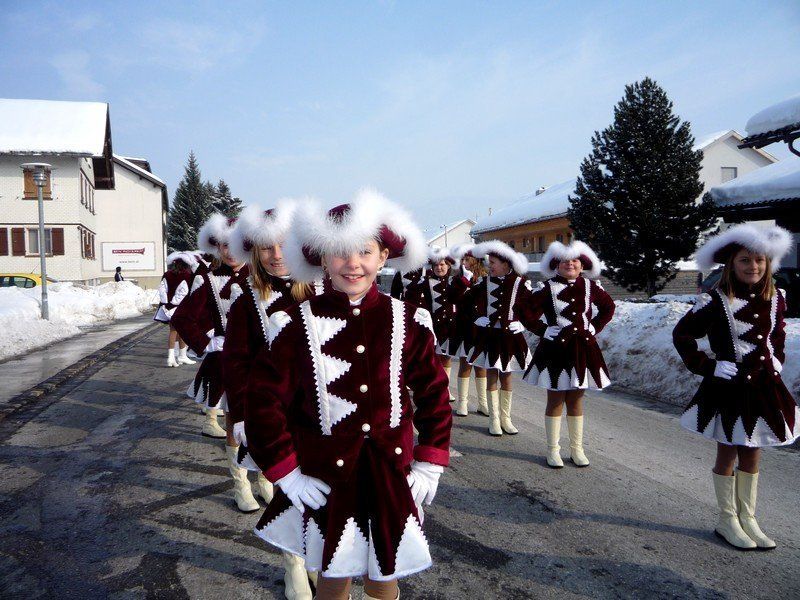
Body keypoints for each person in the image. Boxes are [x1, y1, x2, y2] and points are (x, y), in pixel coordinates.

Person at [245, 190, 452, 600]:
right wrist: (286, 471)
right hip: (324, 478)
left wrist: (430, 460)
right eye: (339, 252)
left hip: (389, 474)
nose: (352, 263)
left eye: (364, 251)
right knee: (333, 576)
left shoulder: (407, 320)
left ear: (383, 257)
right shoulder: (295, 323)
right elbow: (264, 402)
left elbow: (433, 395)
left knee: (383, 577)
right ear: (323, 260)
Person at [673, 224, 797, 550]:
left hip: (764, 387)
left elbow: (778, 335)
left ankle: (748, 517)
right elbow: (682, 335)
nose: (753, 266)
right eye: (744, 260)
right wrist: (708, 366)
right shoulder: (715, 300)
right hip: (729, 388)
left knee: (753, 449)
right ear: (731, 264)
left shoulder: (775, 298)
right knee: (728, 448)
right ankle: (727, 519)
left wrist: (777, 359)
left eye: (759, 260)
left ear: (768, 263)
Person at [223, 201, 319, 599]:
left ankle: (317, 560)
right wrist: (243, 415)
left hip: (321, 414)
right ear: (255, 252)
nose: (276, 255)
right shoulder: (246, 299)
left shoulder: (320, 288)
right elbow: (236, 363)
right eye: (267, 247)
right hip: (276, 415)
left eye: (282, 245)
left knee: (322, 492)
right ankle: (293, 564)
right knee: (287, 490)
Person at [516, 240, 615, 468]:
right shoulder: (547, 288)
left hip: (583, 350)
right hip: (555, 351)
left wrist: (595, 326)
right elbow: (523, 309)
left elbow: (608, 307)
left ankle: (577, 449)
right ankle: (553, 450)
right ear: (556, 265)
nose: (570, 264)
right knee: (555, 399)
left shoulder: (590, 286)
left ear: (582, 265)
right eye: (564, 261)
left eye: (575, 261)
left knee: (576, 399)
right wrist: (542, 329)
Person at [172, 214, 248, 440]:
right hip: (224, 356)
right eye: (224, 245)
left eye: (235, 244)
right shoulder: (209, 278)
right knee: (225, 400)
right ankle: (235, 463)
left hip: (257, 358)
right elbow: (182, 317)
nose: (230, 252)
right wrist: (206, 342)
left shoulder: (260, 276)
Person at [462, 240, 533, 436]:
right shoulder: (483, 283)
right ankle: (493, 419)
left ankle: (505, 418)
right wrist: (477, 318)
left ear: (506, 264)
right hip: (490, 336)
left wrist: (523, 323)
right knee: (492, 373)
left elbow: (532, 308)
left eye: (493, 262)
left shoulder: (520, 284)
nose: (489, 266)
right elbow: (464, 303)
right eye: (488, 262)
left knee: (507, 375)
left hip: (510, 337)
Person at [403, 246, 464, 401]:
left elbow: (461, 299)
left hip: (450, 326)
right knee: (433, 358)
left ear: (448, 266)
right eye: (436, 265)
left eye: (442, 264)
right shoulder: (426, 281)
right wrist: (416, 283)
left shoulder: (454, 281)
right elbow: (410, 295)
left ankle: (445, 388)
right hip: (433, 325)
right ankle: (433, 387)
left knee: (446, 358)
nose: (439, 268)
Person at [449, 243, 488, 416]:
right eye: (462, 259)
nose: (464, 262)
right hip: (465, 327)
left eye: (467, 259)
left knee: (481, 366)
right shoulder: (458, 279)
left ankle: (483, 402)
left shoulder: (485, 278)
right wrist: (464, 281)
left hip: (481, 328)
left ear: (476, 260)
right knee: (465, 364)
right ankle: (463, 402)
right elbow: (453, 298)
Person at [154, 251, 199, 367]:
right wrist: (174, 303)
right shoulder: (187, 275)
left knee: (175, 331)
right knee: (180, 331)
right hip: (180, 307)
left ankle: (176, 356)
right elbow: (183, 292)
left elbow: (162, 289)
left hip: (168, 307)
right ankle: (178, 356)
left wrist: (166, 303)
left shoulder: (167, 274)